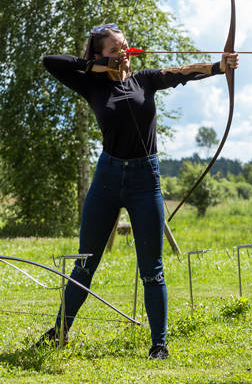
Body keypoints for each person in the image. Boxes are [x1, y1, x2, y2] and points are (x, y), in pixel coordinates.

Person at [37, 23, 239, 359]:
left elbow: (180, 73)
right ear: (100, 54)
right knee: (84, 263)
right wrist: (95, 66)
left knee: (152, 269)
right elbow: (51, 60)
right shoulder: (91, 85)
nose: (125, 53)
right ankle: (59, 332)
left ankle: (159, 344)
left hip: (146, 179)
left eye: (126, 46)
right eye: (116, 49)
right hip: (107, 178)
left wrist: (219, 66)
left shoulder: (144, 79)